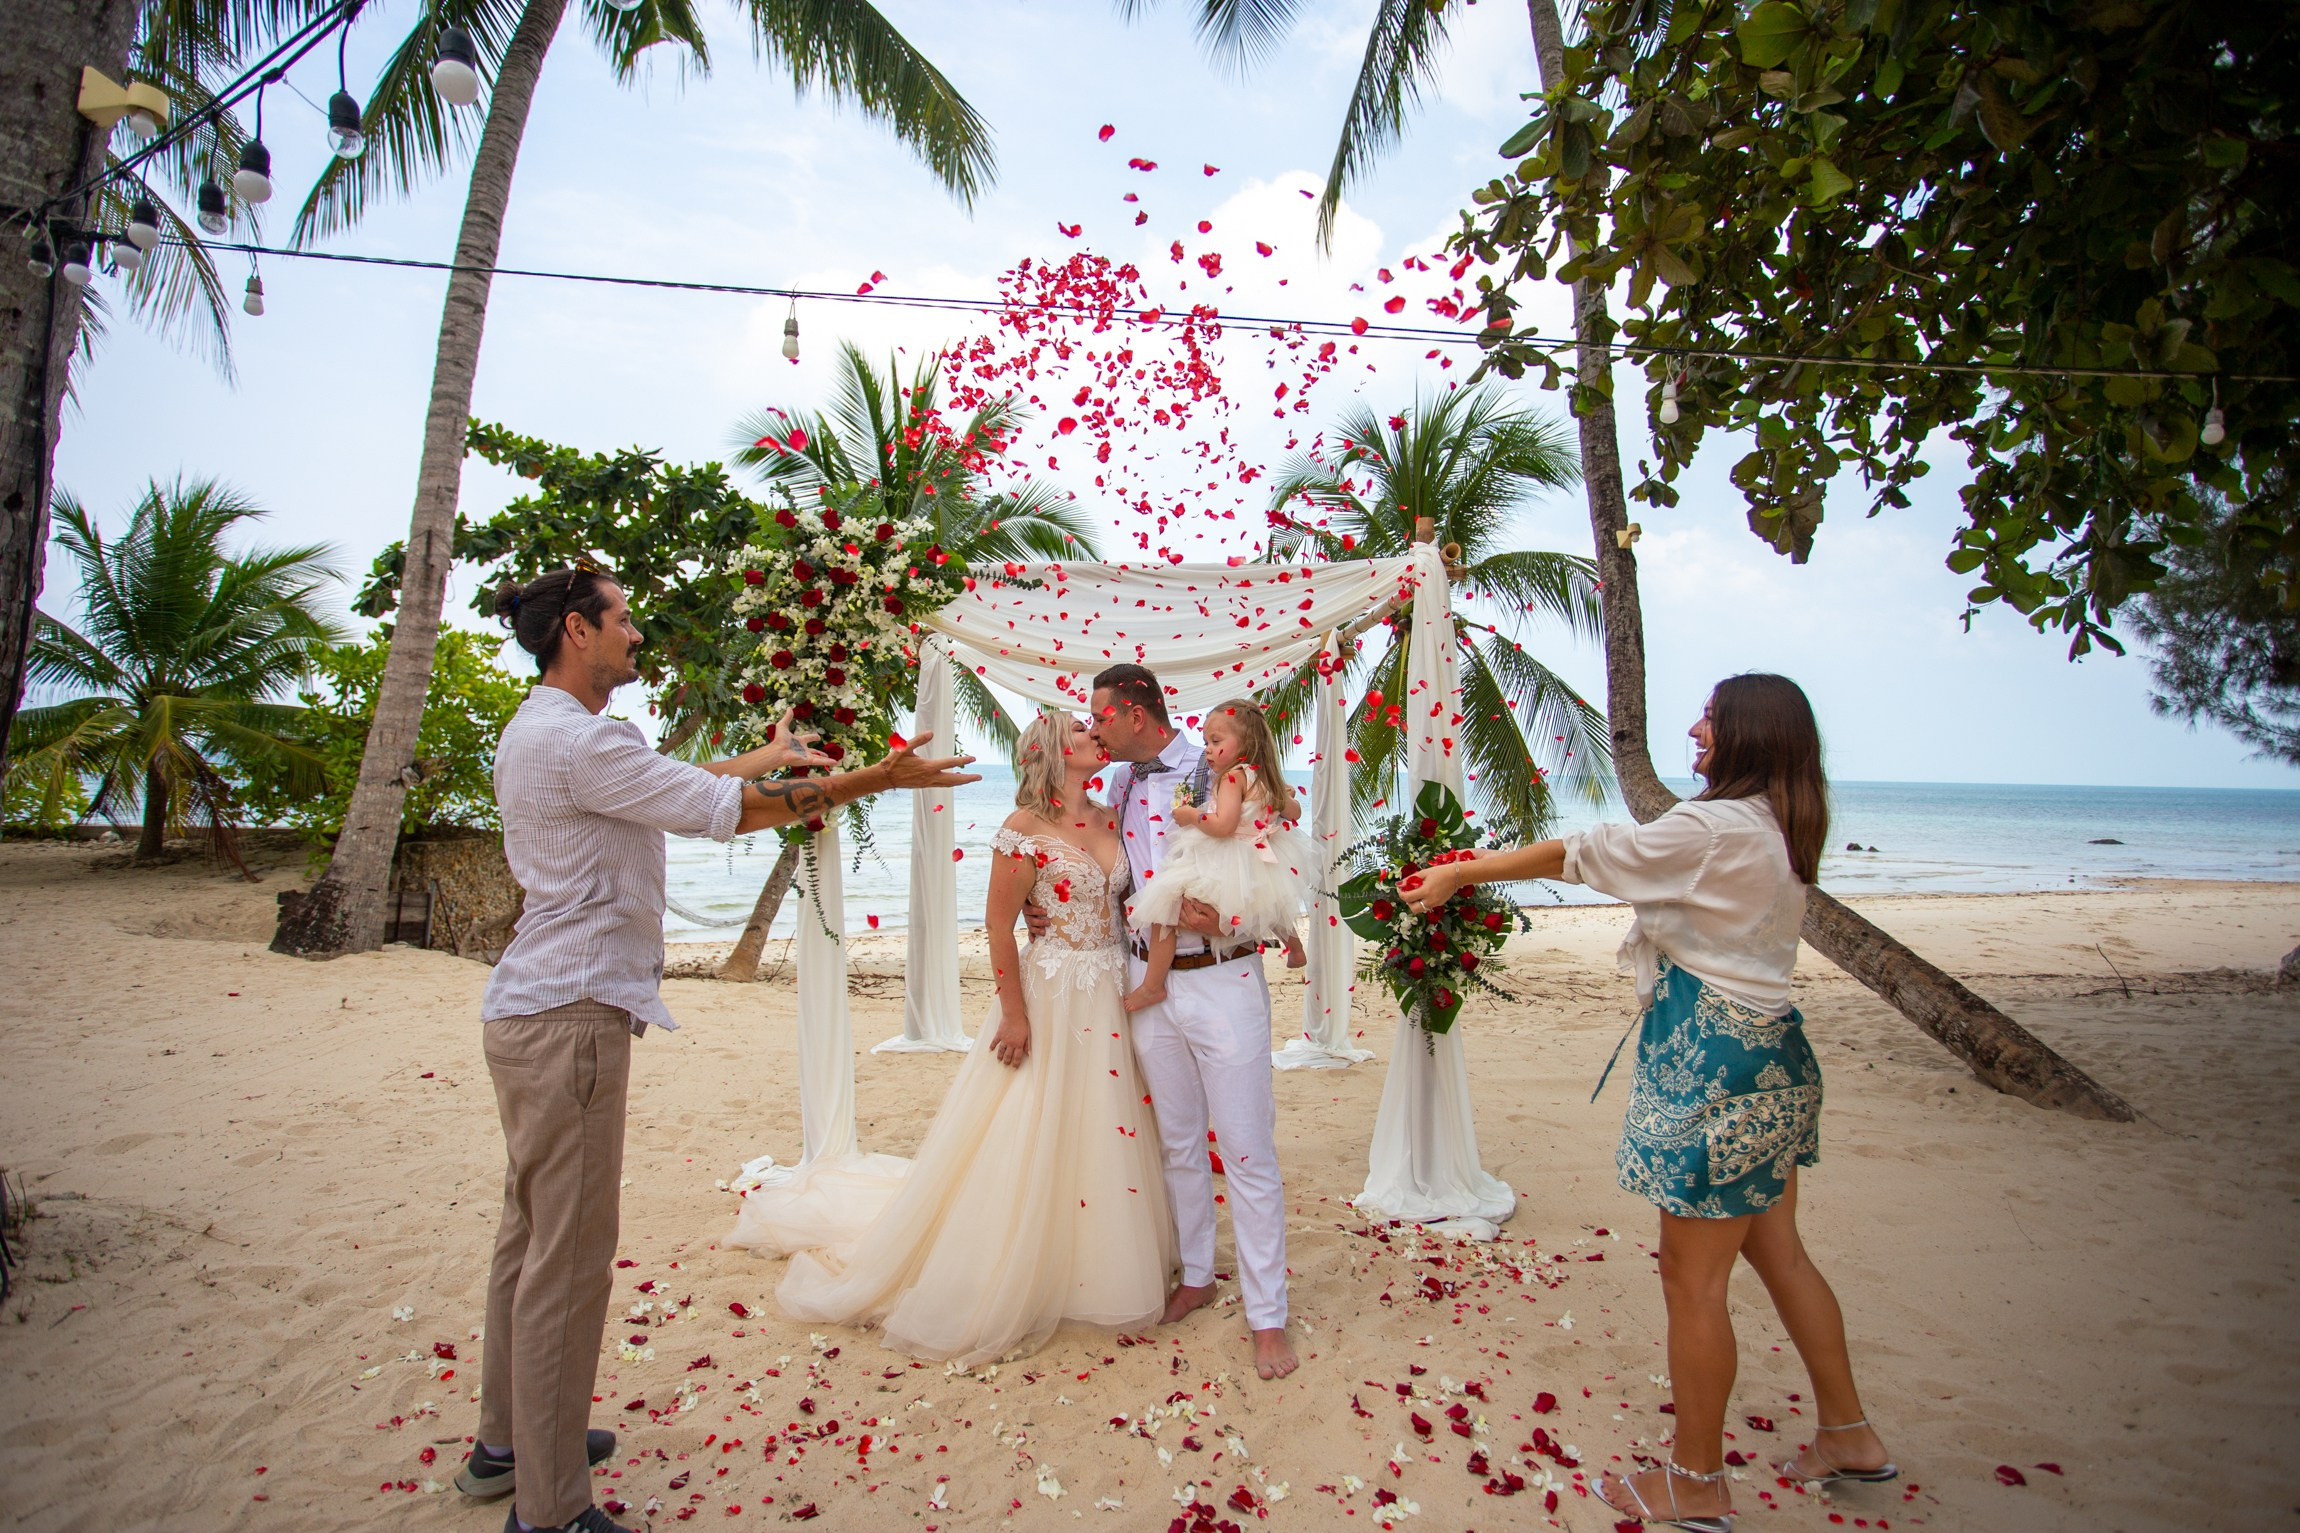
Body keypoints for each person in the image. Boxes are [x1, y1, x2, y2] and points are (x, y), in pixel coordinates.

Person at [461, 567, 979, 1533]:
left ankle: (510, 1443)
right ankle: (548, 1508)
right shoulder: (579, 739)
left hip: (533, 1010)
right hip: (569, 1017)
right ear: (577, 630)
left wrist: (763, 752)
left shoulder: (543, 730)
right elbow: (731, 812)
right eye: (621, 622)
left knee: (529, 1238)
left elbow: (682, 785)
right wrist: (881, 776)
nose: (635, 638)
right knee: (566, 1259)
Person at [1400, 674, 1895, 1533]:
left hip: (1714, 1064)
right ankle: (1849, 1434)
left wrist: (1460, 873)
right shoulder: (1782, 824)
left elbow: (1584, 853)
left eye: (1713, 715)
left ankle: (1698, 1484)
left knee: (1691, 1279)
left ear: (1749, 733)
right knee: (1781, 1255)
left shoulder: (1713, 826)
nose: (1697, 727)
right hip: (1775, 1054)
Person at [724, 712, 1175, 1361]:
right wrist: (1014, 1014)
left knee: (1105, 1125)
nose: (1095, 735)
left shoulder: (1113, 814)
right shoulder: (1022, 829)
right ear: (1053, 750)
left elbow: (1137, 899)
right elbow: (998, 928)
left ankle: (1099, 1261)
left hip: (1109, 991)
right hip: (1050, 993)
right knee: (1034, 1123)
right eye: (1080, 730)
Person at [1075, 663, 1298, 1380]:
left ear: (1137, 713)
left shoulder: (1217, 766)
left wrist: (1235, 918)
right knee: (1177, 1142)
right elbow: (1097, 864)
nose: (1094, 726)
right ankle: (1198, 1275)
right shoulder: (1118, 783)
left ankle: (1268, 1317)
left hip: (1223, 976)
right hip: (1149, 978)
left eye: (1101, 715)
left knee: (1247, 1150)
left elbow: (1273, 859)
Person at [1123, 696, 1310, 1014]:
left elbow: (1223, 825)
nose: (1207, 749)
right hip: (1258, 857)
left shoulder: (1233, 778)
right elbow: (1293, 812)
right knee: (1273, 903)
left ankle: (1152, 986)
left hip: (1227, 854)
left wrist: (1189, 816)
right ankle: (1295, 949)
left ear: (1245, 743)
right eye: (1206, 740)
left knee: (1165, 906)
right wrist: (1278, 801)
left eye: (1216, 741)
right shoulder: (1262, 778)